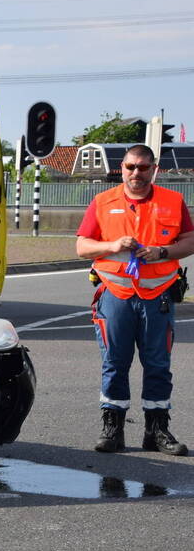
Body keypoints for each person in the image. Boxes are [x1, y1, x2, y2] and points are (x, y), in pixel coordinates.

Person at [76, 144, 194, 455]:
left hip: (158, 297)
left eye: (143, 167)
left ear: (154, 169)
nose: (136, 173)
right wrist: (112, 245)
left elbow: (190, 240)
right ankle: (112, 429)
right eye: (130, 167)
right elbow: (82, 246)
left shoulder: (173, 201)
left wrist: (162, 252)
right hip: (115, 295)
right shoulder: (103, 201)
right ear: (122, 169)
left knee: (158, 364)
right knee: (114, 363)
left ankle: (157, 431)